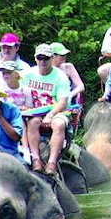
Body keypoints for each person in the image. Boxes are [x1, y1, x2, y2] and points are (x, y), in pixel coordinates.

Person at [22, 44, 71, 175]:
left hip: (56, 111)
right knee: (32, 123)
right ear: (35, 58)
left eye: (46, 58)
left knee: (59, 124)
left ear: (51, 58)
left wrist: (51, 114)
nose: (42, 61)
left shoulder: (60, 77)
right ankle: (36, 158)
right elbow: (18, 92)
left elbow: (63, 101)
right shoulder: (27, 74)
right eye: (40, 58)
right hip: (34, 111)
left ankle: (52, 162)